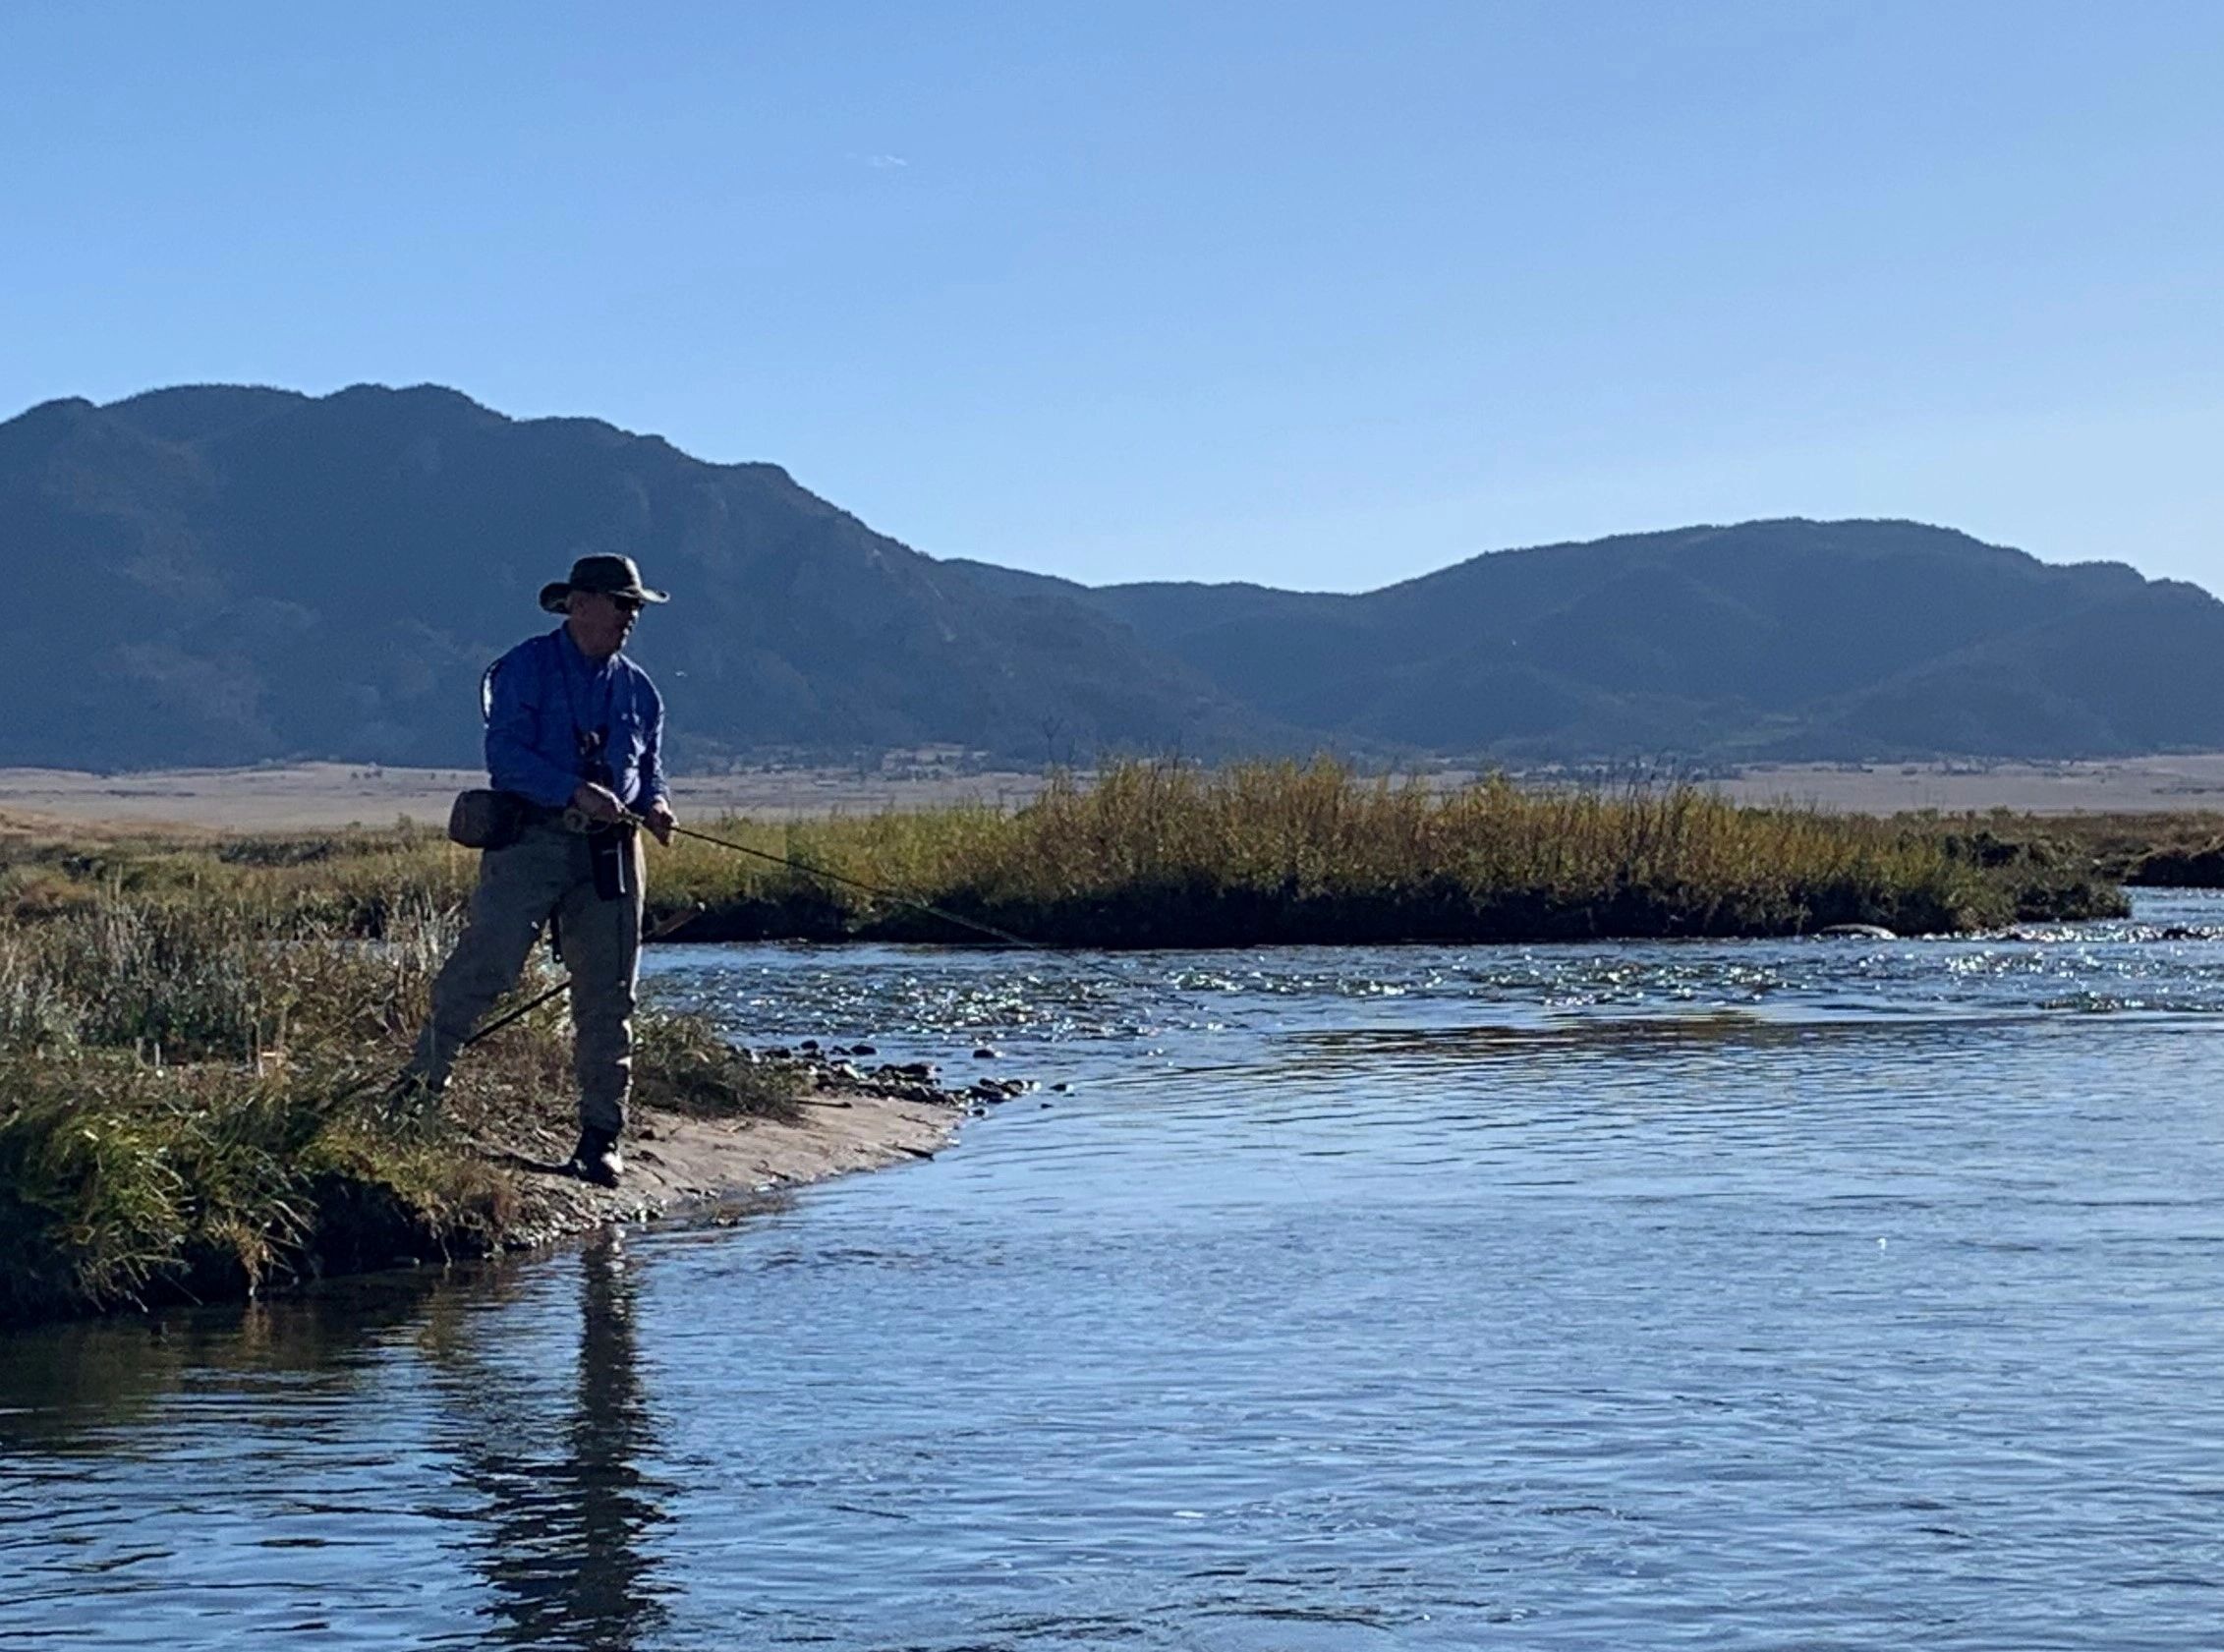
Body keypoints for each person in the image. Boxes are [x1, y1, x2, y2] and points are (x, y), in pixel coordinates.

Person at [401, 553, 678, 1186]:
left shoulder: (640, 689)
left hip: (611, 851)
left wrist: (655, 804)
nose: (630, 615)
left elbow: (650, 764)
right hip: (530, 839)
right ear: (579, 604)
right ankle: (420, 1093)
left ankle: (601, 1137)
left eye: (634, 604)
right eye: (620, 602)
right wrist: (572, 790)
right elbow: (505, 758)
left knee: (609, 994)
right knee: (486, 967)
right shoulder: (524, 668)